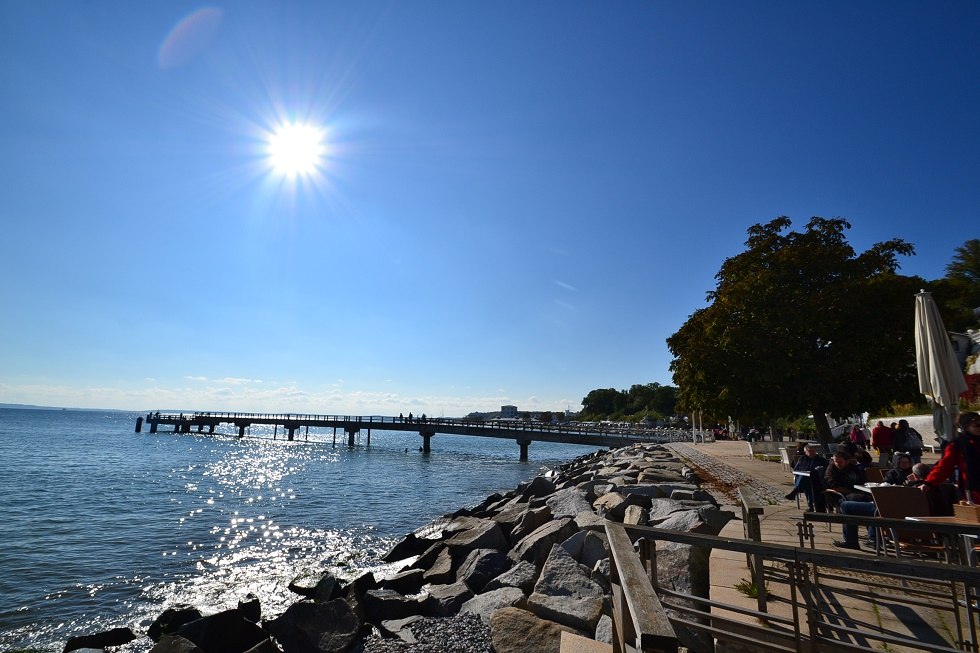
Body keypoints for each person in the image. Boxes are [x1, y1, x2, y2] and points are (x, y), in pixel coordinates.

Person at [920, 412, 980, 503]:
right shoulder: (957, 444)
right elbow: (944, 466)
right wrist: (929, 482)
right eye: (977, 425)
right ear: (966, 427)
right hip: (974, 490)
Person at [785, 443, 828, 511]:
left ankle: (796, 492)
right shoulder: (802, 459)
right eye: (809, 451)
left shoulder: (821, 460)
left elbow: (824, 471)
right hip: (806, 481)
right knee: (805, 479)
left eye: (813, 451)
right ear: (805, 452)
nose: (812, 452)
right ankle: (811, 506)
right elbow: (796, 470)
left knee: (806, 481)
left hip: (817, 481)